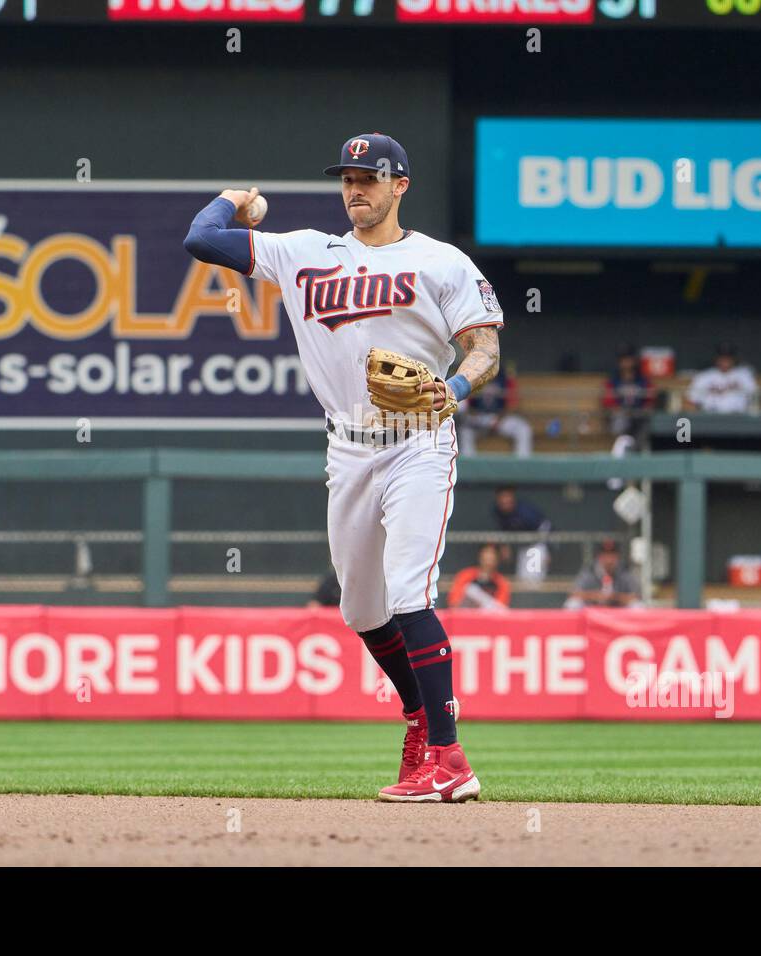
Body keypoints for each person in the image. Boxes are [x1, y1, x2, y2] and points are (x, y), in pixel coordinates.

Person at [184, 133, 498, 803]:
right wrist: (234, 198)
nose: (356, 187)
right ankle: (421, 725)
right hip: (347, 447)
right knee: (361, 609)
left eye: (370, 176)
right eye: (348, 177)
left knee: (410, 592)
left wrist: (457, 390)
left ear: (400, 185)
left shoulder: (439, 262)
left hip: (419, 437)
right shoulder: (303, 253)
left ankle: (449, 758)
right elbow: (202, 240)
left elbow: (484, 347)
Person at [457, 366, 533, 457]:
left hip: (501, 419)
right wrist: (478, 419)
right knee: (465, 431)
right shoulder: (473, 377)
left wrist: (498, 419)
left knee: (523, 429)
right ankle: (470, 466)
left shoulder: (505, 378)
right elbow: (466, 406)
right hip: (480, 418)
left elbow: (513, 406)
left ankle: (522, 465)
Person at [565, 538, 639, 608]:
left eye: (612, 555)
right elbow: (574, 594)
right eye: (605, 555)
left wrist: (615, 597)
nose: (609, 560)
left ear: (618, 557)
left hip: (618, 610)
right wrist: (595, 595)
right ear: (599, 557)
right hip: (592, 610)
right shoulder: (590, 571)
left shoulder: (624, 571)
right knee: (573, 604)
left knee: (637, 605)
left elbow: (636, 596)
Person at [685, 343, 757, 414]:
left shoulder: (744, 375)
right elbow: (691, 399)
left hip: (738, 417)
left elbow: (756, 398)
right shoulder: (704, 376)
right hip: (709, 416)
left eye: (728, 358)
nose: (725, 361)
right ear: (716, 359)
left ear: (734, 359)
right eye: (722, 358)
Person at [602, 344, 654, 437]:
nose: (626, 363)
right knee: (620, 421)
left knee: (646, 422)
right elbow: (608, 403)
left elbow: (649, 402)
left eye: (629, 359)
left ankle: (641, 448)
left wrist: (640, 411)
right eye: (624, 360)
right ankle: (622, 447)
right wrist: (623, 411)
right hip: (621, 416)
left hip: (639, 416)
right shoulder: (613, 381)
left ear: (634, 361)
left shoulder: (643, 381)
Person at [446, 543, 512, 610]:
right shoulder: (466, 575)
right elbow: (454, 603)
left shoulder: (501, 582)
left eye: (492, 554)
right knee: (470, 589)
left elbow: (501, 609)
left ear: (497, 558)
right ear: (480, 555)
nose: (489, 557)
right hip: (466, 616)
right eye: (486, 553)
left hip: (488, 617)